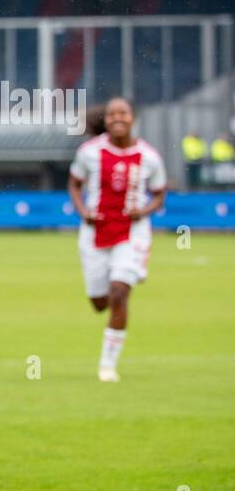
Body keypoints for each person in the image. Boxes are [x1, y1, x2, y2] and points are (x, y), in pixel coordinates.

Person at [67, 96, 167, 382]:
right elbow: (74, 183)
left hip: (132, 233)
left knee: (119, 292)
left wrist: (144, 210)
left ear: (132, 117)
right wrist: (83, 210)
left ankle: (107, 365)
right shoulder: (89, 152)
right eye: (111, 114)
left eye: (123, 113)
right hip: (95, 232)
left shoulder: (149, 156)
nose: (117, 118)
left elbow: (159, 193)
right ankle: (121, 282)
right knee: (100, 302)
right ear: (106, 120)